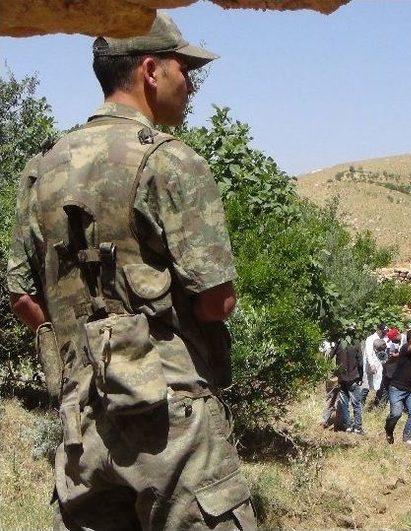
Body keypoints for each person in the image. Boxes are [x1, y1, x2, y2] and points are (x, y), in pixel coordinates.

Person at [6, 13, 256, 530]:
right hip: (170, 419)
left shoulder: (40, 170)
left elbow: (22, 299)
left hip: (83, 419)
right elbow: (217, 301)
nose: (190, 84)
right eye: (185, 69)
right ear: (150, 70)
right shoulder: (171, 161)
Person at [333, 333, 364, 434]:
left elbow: (329, 356)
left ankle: (348, 426)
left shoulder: (339, 342)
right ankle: (358, 427)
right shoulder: (356, 343)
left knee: (344, 403)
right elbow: (360, 362)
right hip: (353, 378)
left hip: (342, 378)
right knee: (356, 404)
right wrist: (361, 376)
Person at [361, 323, 388, 408]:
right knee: (366, 387)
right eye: (383, 332)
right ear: (379, 330)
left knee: (381, 386)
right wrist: (372, 365)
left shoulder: (383, 339)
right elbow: (369, 353)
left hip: (380, 366)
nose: (384, 333)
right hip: (371, 367)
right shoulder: (370, 339)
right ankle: (360, 405)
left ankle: (378, 406)